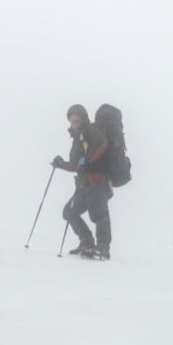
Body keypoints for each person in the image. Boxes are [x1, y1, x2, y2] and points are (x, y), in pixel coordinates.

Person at [51, 104, 112, 260]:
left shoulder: (90, 130)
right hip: (83, 184)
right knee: (69, 212)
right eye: (71, 117)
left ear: (83, 117)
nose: (73, 119)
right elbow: (76, 165)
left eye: (76, 115)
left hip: (97, 180)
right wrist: (62, 164)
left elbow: (103, 144)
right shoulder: (78, 137)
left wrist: (88, 161)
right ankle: (87, 243)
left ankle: (103, 248)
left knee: (99, 214)